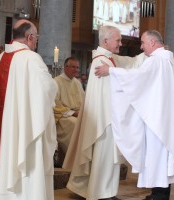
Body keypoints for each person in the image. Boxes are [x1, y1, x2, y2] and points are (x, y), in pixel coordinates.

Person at [95, 30, 174, 200]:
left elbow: (137, 78)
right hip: (165, 119)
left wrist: (112, 71)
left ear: (153, 43)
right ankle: (160, 194)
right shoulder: (169, 63)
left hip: (158, 121)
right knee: (163, 160)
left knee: (159, 157)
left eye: (143, 43)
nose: (142, 46)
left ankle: (159, 196)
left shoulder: (157, 62)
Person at [63, 25, 145, 200]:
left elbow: (129, 63)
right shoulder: (102, 62)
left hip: (107, 117)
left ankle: (100, 190)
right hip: (106, 119)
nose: (121, 44)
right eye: (118, 40)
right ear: (106, 41)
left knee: (105, 157)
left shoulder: (108, 58)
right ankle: (101, 192)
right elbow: (117, 88)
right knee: (105, 157)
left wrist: (147, 55)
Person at [0, 19, 57, 200]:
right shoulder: (31, 58)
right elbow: (48, 90)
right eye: (36, 37)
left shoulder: (1, 58)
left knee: (6, 160)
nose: (36, 41)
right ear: (30, 37)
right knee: (28, 167)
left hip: (6, 131)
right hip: (24, 130)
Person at [53, 57, 85, 156]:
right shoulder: (56, 82)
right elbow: (56, 105)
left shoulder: (77, 83)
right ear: (65, 67)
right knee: (75, 125)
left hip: (78, 114)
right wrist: (75, 114)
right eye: (73, 67)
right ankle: (74, 158)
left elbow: (84, 102)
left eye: (77, 67)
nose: (76, 70)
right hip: (63, 116)